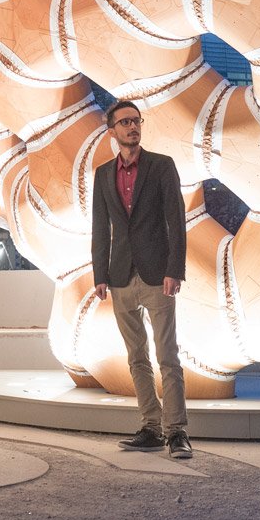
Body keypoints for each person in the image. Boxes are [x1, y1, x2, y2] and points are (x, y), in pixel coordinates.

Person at [90, 100, 191, 459]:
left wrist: (174, 269)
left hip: (157, 276)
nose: (133, 127)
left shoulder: (162, 166)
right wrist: (99, 273)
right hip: (119, 277)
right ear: (112, 131)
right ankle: (150, 427)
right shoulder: (103, 174)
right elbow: (100, 228)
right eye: (125, 122)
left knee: (168, 356)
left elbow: (176, 221)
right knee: (136, 358)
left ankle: (176, 432)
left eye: (136, 121)